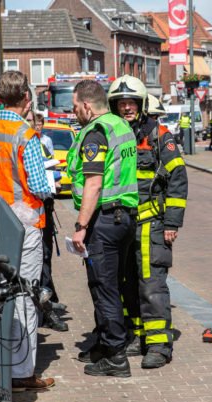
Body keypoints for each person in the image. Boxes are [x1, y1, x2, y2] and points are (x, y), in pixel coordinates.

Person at [0, 70, 55, 390]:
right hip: (26, 225)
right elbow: (40, 186)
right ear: (27, 98)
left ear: (0, 98)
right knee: (24, 297)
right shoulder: (25, 134)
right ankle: (21, 373)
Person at [108, 75, 188, 369]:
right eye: (121, 103)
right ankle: (137, 336)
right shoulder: (111, 134)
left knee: (152, 285)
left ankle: (158, 345)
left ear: (140, 105)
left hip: (151, 224)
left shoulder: (158, 135)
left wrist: (172, 222)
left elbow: (178, 179)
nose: (126, 108)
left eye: (131, 103)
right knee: (126, 284)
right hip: (120, 224)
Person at [67, 79, 139, 377]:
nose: (74, 113)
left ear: (86, 105)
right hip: (124, 218)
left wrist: (81, 226)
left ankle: (116, 355)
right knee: (112, 284)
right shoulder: (121, 126)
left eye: (74, 107)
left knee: (103, 287)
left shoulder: (96, 133)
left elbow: (94, 184)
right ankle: (104, 344)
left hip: (104, 221)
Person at [28, 112, 69, 332]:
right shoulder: (26, 144)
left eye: (38, 123)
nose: (37, 126)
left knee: (46, 257)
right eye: (32, 122)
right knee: (39, 261)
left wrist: (55, 178)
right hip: (32, 214)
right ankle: (44, 311)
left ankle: (48, 301)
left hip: (45, 210)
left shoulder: (42, 145)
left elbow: (53, 171)